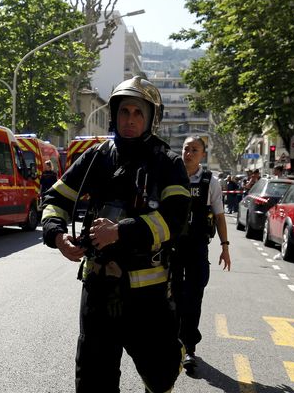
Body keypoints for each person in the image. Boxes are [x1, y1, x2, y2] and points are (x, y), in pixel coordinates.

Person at [41, 75, 191, 393]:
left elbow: (176, 219)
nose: (130, 119)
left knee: (161, 376)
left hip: (147, 295)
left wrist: (121, 232)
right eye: (124, 112)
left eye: (138, 113)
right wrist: (57, 235)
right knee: (93, 378)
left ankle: (170, 355)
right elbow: (55, 199)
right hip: (99, 288)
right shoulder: (97, 157)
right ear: (114, 115)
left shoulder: (168, 163)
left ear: (152, 118)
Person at [170, 136, 231, 372]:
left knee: (194, 297)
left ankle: (189, 347)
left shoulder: (210, 182)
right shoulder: (172, 175)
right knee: (172, 296)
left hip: (196, 247)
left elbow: (219, 215)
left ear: (202, 155)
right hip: (173, 246)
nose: (188, 153)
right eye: (186, 148)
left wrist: (225, 247)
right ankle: (173, 343)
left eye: (194, 149)